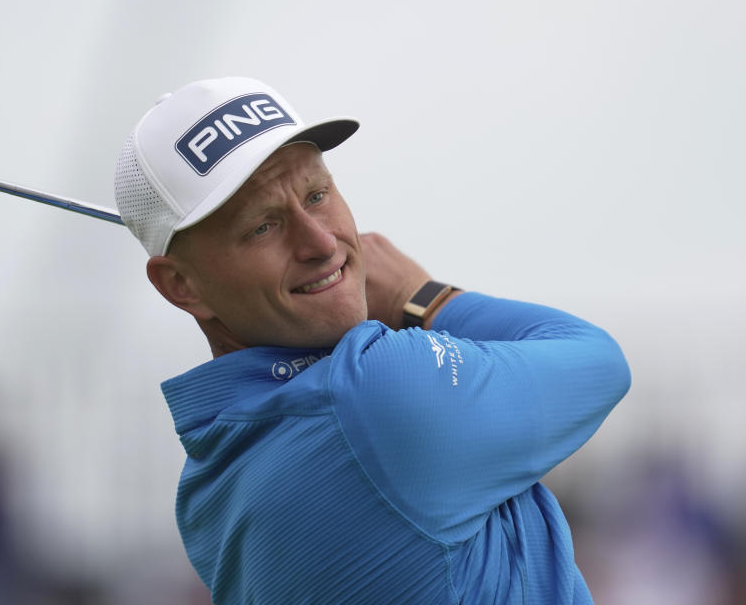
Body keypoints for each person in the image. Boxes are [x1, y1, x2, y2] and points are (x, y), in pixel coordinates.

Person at [113, 77, 631, 604]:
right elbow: (596, 360)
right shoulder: (376, 394)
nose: (320, 242)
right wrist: (422, 295)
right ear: (183, 285)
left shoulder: (207, 484)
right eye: (262, 227)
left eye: (317, 195)